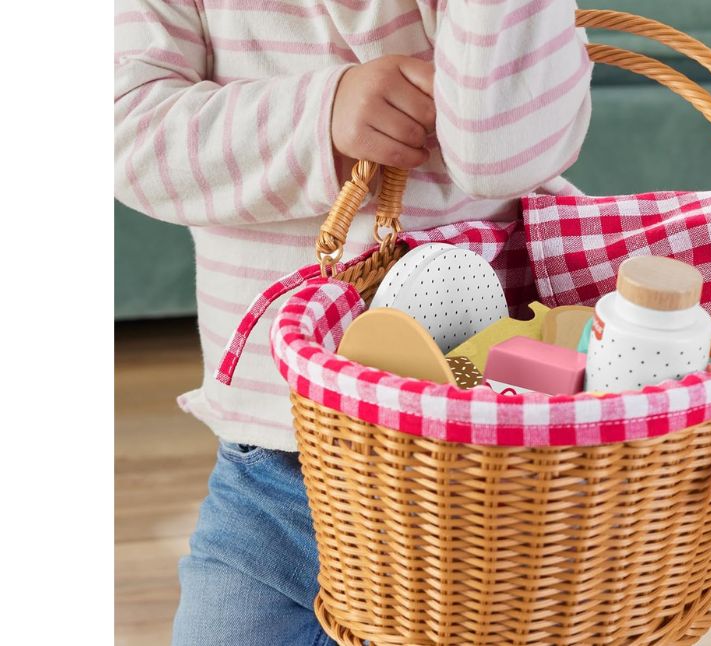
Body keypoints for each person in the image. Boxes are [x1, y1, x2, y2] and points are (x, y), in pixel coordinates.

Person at [114, 1, 592, 643]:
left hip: (480, 477)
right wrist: (322, 114)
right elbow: (127, 131)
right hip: (275, 467)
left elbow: (502, 154)